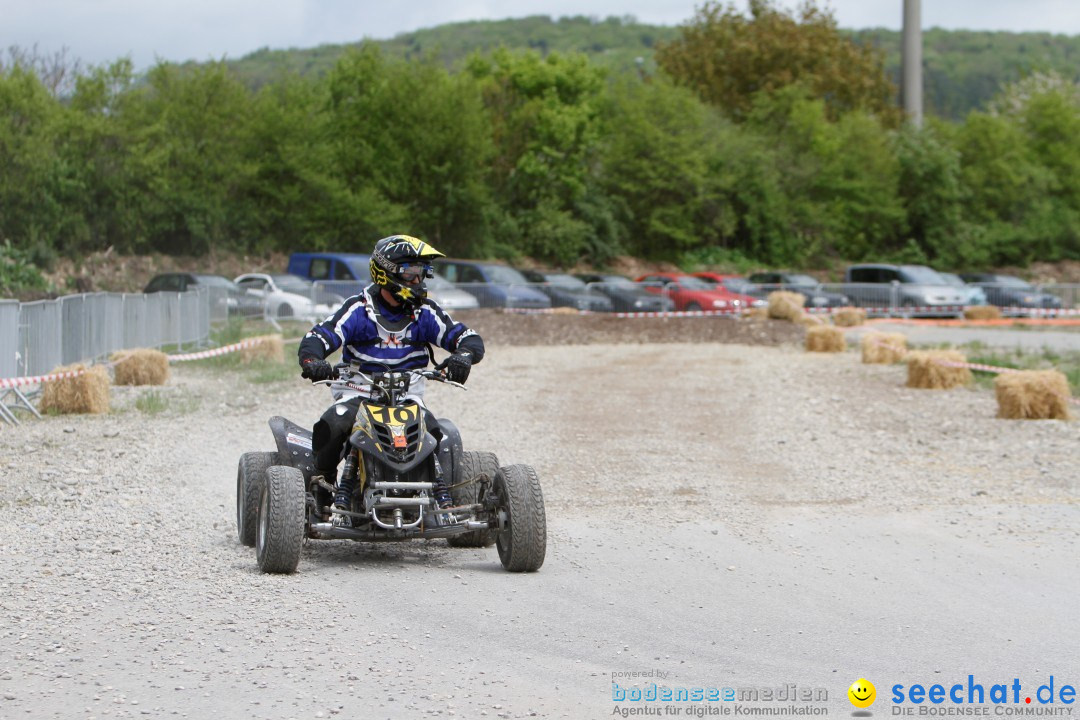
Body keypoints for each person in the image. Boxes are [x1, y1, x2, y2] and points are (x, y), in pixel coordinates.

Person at [296, 234, 485, 521]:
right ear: (386, 273)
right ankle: (322, 485)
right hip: (358, 390)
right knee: (333, 424)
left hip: (407, 396)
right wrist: (313, 360)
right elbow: (318, 337)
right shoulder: (358, 310)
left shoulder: (425, 312)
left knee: (432, 432)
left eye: (421, 274)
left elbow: (468, 338)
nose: (417, 282)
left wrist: (463, 357)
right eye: (411, 274)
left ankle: (439, 500)